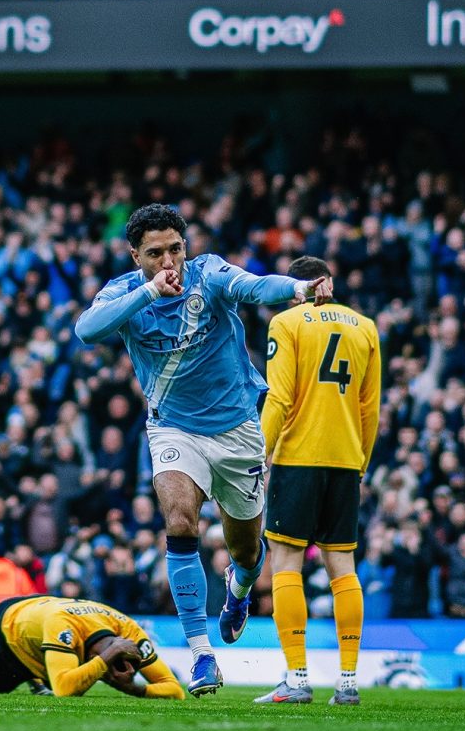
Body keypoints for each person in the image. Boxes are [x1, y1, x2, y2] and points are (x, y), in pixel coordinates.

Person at [75, 204, 330, 696]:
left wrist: (299, 289)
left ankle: (238, 590)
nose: (170, 259)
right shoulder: (128, 292)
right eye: (156, 253)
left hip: (237, 430)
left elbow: (255, 287)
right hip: (172, 428)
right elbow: (88, 330)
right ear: (136, 256)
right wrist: (149, 291)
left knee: (247, 550)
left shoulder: (208, 274)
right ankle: (201, 655)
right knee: (179, 522)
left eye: (176, 247)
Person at [254, 257, 381, 706]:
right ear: (329, 281)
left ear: (296, 284)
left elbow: (281, 396)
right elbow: (370, 407)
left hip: (298, 457)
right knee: (343, 570)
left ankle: (298, 677)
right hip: (346, 460)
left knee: (287, 565)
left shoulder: (286, 323)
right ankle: (347, 682)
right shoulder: (365, 327)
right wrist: (361, 461)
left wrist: (259, 453)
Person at [0, 595, 185, 699]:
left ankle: (37, 677)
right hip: (10, 627)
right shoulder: (64, 628)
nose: (112, 676)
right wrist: (108, 657)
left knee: (66, 666)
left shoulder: (131, 632)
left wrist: (135, 689)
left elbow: (175, 689)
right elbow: (65, 689)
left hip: (44, 615)